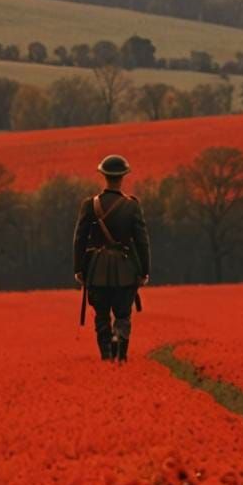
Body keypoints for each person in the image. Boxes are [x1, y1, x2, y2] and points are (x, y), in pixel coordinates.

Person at [73, 154, 150, 362]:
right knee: (123, 314)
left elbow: (79, 239)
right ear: (123, 176)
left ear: (103, 176)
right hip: (125, 269)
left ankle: (106, 354)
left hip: (97, 269)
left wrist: (79, 269)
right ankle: (119, 344)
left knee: (101, 315)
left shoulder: (90, 205)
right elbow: (142, 241)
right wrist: (144, 271)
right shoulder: (132, 206)